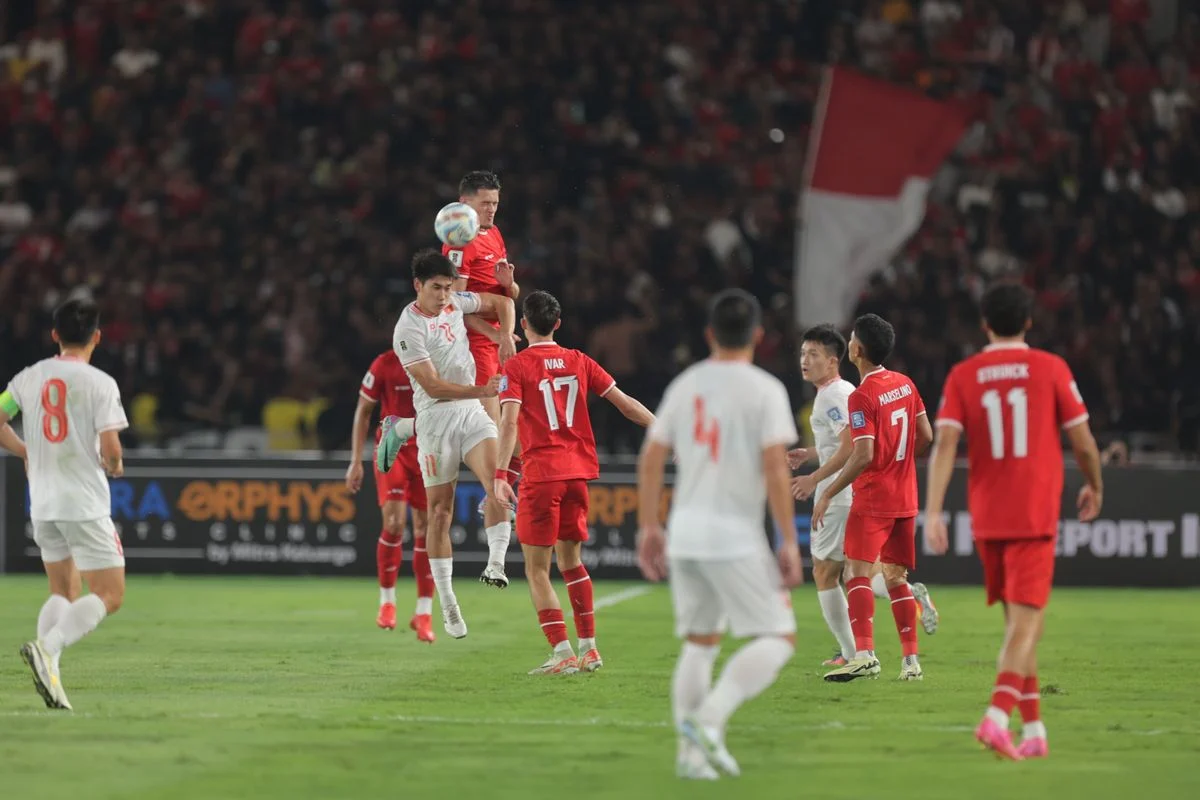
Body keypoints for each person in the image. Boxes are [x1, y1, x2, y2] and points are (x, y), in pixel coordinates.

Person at [925, 283, 1103, 761]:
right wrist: (1096, 485)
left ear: (984, 323)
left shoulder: (965, 375)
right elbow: (1083, 442)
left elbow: (944, 444)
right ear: (1028, 321)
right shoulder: (1050, 368)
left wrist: (935, 509)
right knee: (1027, 627)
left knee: (1019, 626)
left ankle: (1036, 731)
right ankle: (997, 718)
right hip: (1033, 513)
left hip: (989, 517)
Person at [636, 289, 803, 781]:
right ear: (758, 336)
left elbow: (650, 457)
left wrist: (649, 526)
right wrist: (787, 541)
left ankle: (689, 759)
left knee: (701, 642)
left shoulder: (686, 384)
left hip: (685, 531)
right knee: (780, 636)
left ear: (709, 334)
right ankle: (710, 720)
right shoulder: (766, 390)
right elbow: (775, 468)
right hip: (734, 535)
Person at [495, 291, 655, 675]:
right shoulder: (578, 360)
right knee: (572, 563)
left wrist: (501, 474)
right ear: (558, 324)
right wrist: (664, 432)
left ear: (524, 324)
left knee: (537, 569)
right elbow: (625, 402)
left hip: (541, 475)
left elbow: (509, 421)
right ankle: (589, 649)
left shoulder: (516, 367)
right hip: (577, 475)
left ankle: (562, 651)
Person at [376, 250, 517, 639]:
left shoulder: (456, 301)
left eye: (448, 287)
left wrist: (503, 334)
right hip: (437, 417)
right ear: (417, 286)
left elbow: (504, 302)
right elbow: (434, 386)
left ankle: (496, 565)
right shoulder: (408, 329)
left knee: (498, 485)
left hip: (471, 412)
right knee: (440, 513)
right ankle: (449, 605)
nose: (443, 296)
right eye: (435, 288)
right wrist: (480, 387)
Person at [1, 299, 129, 710]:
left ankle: (49, 672)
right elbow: (110, 447)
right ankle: (48, 648)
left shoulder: (28, 377)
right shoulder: (100, 383)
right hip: (84, 502)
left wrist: (26, 452)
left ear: (55, 334)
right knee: (110, 594)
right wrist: (115, 465)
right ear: (97, 336)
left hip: (43, 500)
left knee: (63, 589)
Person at [790, 325, 939, 670]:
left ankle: (853, 652)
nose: (804, 361)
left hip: (844, 492)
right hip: (882, 491)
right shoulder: (848, 390)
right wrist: (812, 453)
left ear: (835, 360)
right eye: (802, 354)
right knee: (865, 573)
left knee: (827, 573)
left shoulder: (834, 396)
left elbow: (852, 448)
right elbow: (846, 440)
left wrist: (816, 480)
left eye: (813, 354)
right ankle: (907, 601)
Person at [346, 349, 434, 642]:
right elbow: (363, 410)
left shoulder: (438, 358)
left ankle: (423, 612)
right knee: (395, 524)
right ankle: (387, 601)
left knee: (427, 528)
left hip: (428, 449)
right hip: (392, 450)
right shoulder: (385, 363)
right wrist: (356, 460)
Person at [444, 170, 524, 495]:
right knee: (492, 425)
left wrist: (510, 285)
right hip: (478, 345)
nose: (491, 209)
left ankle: (500, 489)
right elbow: (454, 307)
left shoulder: (494, 233)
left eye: (495, 203)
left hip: (501, 341)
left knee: (514, 424)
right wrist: (494, 336)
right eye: (484, 203)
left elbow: (511, 294)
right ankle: (494, 494)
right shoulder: (458, 242)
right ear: (464, 202)